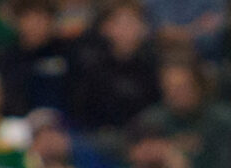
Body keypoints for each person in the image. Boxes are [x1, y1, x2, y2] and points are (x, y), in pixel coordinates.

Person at [69, 0, 166, 132]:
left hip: (147, 135)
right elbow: (83, 109)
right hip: (101, 135)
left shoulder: (156, 63)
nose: (127, 29)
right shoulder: (92, 65)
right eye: (120, 23)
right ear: (105, 28)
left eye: (133, 22)